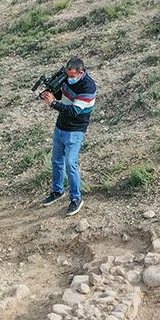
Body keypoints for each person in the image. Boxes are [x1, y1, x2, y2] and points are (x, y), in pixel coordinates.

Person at [40, 56, 96, 217]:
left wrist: (52, 104)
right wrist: (52, 92)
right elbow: (60, 96)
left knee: (70, 163)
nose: (69, 78)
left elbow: (74, 111)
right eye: (67, 74)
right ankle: (58, 191)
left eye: (72, 76)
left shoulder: (88, 87)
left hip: (75, 130)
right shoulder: (65, 77)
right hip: (60, 127)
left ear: (81, 72)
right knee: (56, 161)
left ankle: (76, 199)